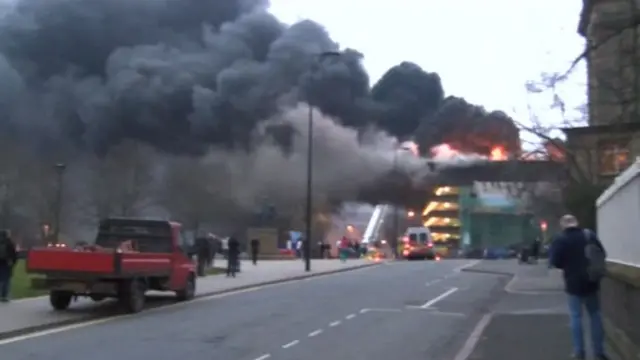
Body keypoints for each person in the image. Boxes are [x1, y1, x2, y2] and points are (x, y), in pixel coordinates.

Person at [549, 214, 608, 360]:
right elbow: (602, 254)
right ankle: (599, 352)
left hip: (573, 283)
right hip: (591, 280)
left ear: (563, 225)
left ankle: (579, 352)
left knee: (576, 316)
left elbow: (556, 262)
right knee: (595, 315)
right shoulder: (589, 235)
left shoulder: (560, 239)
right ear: (577, 223)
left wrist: (568, 265)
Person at [0, 230, 17, 302]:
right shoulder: (9, 243)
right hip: (7, 263)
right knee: (6, 280)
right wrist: (13, 262)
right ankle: (5, 295)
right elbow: (14, 254)